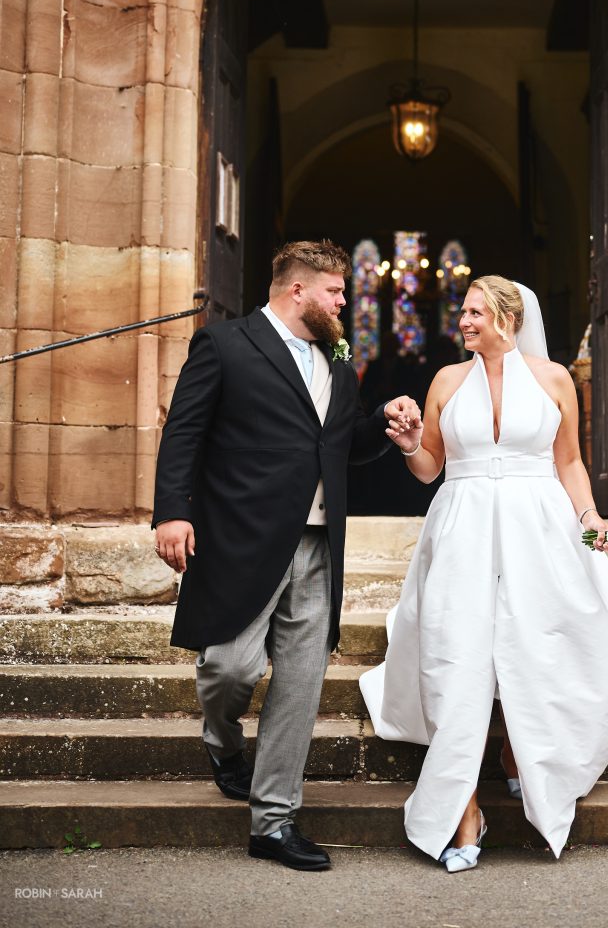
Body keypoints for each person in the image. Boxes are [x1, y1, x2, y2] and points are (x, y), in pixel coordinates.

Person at [360, 275, 608, 871]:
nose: (464, 321)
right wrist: (409, 443)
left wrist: (589, 521)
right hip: (462, 529)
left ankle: (521, 758)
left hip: (539, 528)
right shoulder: (447, 381)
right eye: (463, 312)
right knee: (459, 653)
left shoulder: (555, 379)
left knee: (537, 643)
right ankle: (461, 810)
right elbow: (431, 467)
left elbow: (570, 463)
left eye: (475, 312)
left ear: (507, 318)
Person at [152, 239, 421, 872]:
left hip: (319, 542)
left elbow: (341, 440)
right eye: (335, 291)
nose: (343, 302)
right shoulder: (225, 344)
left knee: (299, 685)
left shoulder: (340, 354)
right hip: (241, 535)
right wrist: (172, 511)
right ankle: (222, 743)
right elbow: (183, 431)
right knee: (229, 668)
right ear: (297, 290)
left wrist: (384, 417)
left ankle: (274, 821)